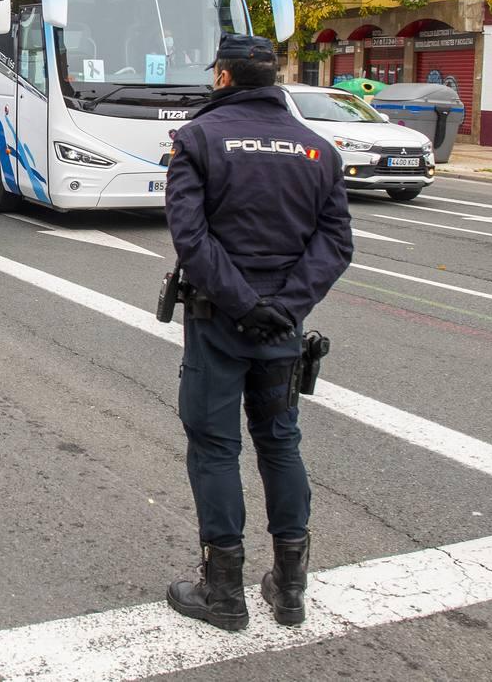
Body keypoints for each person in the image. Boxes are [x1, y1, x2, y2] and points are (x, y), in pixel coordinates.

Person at [163, 34, 353, 632]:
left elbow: (191, 240)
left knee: (216, 447)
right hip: (282, 329)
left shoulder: (197, 140)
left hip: (219, 321)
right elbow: (336, 243)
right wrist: (283, 307)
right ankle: (289, 589)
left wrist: (242, 304)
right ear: (275, 77)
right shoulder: (319, 149)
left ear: (222, 77)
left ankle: (223, 594)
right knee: (280, 441)